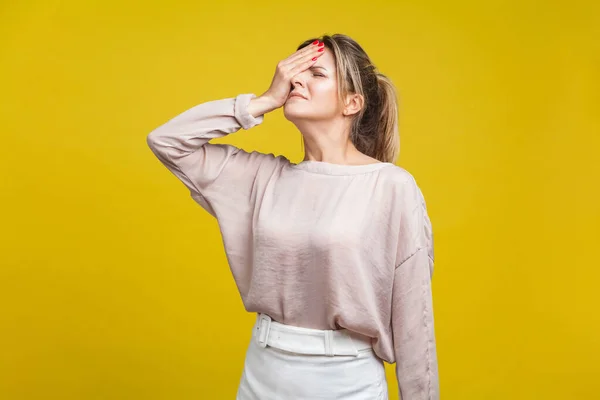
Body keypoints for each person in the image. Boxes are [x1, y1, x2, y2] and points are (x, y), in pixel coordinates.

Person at [146, 33, 439, 400]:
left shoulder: (391, 187)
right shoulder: (261, 179)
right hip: (264, 372)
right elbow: (167, 140)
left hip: (347, 381)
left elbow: (415, 322)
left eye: (315, 73)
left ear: (352, 103)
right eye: (295, 71)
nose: (296, 79)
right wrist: (263, 101)